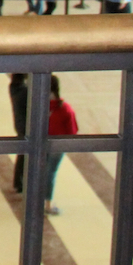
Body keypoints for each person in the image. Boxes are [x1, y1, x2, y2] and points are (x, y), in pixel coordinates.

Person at [45, 76, 80, 215]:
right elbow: (72, 131)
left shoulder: (39, 105)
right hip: (58, 145)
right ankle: (47, 204)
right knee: (50, 172)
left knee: (41, 171)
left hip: (42, 142)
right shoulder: (65, 109)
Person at [8, 73, 30, 193]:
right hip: (25, 126)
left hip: (19, 124)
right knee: (23, 156)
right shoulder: (24, 92)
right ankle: (19, 182)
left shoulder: (14, 87)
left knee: (22, 154)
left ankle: (18, 181)